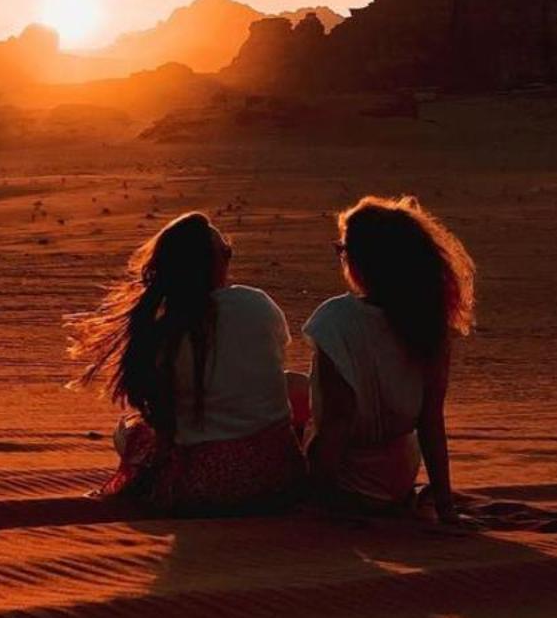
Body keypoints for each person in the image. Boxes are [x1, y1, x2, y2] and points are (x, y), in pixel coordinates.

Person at [69, 211, 306, 514]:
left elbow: (162, 421)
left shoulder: (160, 329)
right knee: (298, 385)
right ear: (214, 262)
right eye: (226, 253)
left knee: (128, 432)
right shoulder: (256, 303)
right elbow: (268, 362)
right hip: (275, 479)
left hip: (198, 487)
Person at [303, 195, 476, 522]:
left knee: (290, 407)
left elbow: (337, 424)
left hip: (348, 485)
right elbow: (430, 423)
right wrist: (445, 505)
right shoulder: (428, 323)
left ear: (360, 261)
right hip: (397, 480)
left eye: (343, 250)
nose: (341, 258)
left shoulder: (335, 320)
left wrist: (315, 504)